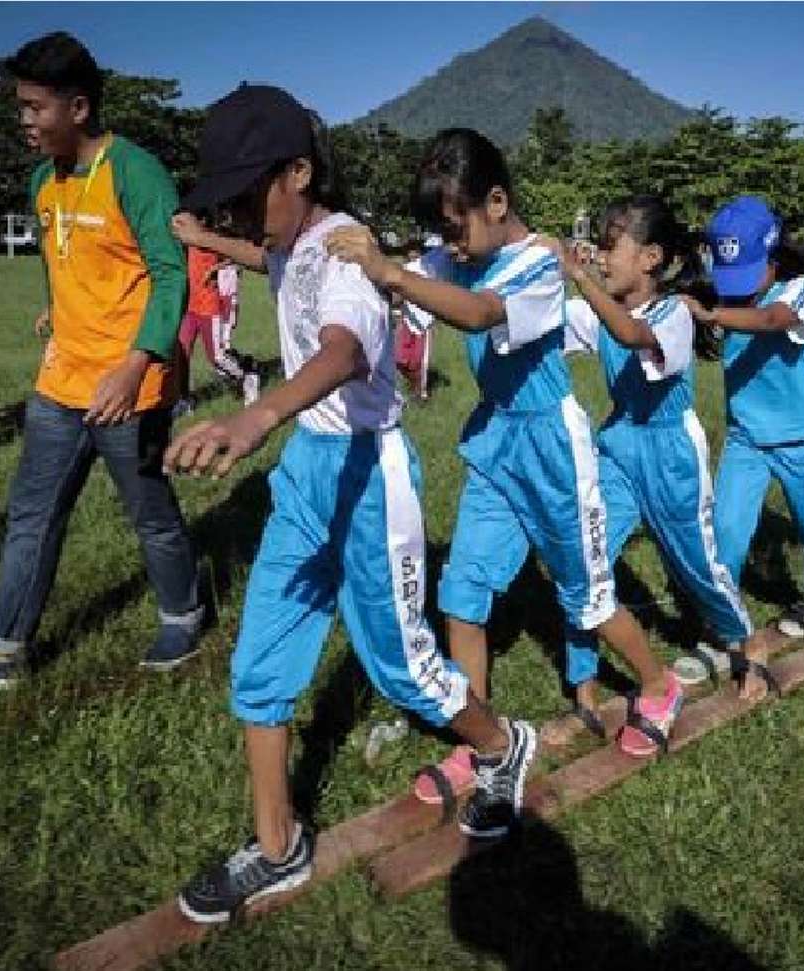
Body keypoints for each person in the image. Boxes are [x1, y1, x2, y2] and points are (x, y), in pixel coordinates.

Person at [162, 85, 535, 922]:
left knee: (402, 667)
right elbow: (274, 265)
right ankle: (276, 845)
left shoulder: (345, 253)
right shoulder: (288, 241)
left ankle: (505, 744)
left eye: (246, 190)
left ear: (299, 172)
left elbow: (339, 351)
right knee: (260, 661)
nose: (236, 207)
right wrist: (214, 237)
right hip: (308, 477)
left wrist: (257, 414)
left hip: (371, 478)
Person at [325, 128, 680, 789]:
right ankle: (483, 742)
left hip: (551, 447)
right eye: (441, 234)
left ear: (496, 202)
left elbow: (481, 313)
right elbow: (421, 280)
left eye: (456, 230)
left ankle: (659, 685)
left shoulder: (539, 268)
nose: (450, 248)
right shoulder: (459, 257)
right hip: (496, 443)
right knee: (462, 593)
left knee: (588, 596)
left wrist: (392, 270)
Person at [0, 31, 202, 689]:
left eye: (35, 107)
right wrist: (55, 309)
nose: (25, 122)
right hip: (58, 386)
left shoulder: (135, 171)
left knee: (150, 514)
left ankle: (182, 616)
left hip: (128, 387)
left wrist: (137, 363)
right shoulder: (43, 180)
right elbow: (61, 261)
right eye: (21, 107)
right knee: (33, 516)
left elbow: (168, 270)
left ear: (77, 107)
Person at [548, 196, 777, 713]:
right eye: (598, 248)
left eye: (610, 247)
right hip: (618, 447)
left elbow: (630, 335)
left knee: (697, 564)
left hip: (671, 453)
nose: (601, 258)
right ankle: (582, 684)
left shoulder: (672, 314)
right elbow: (542, 323)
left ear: (651, 258)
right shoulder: (594, 313)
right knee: (587, 559)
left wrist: (577, 275)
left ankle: (746, 639)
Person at [683, 197, 804, 652]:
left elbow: (773, 319)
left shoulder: (803, 287)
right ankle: (723, 627)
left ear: (775, 254)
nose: (737, 287)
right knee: (723, 531)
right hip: (747, 437)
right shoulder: (724, 294)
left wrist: (712, 315)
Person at [175, 236, 260, 413]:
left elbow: (237, 254)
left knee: (217, 358)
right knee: (181, 354)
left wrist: (214, 269)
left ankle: (247, 377)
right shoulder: (187, 238)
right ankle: (185, 399)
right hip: (191, 307)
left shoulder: (211, 239)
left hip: (209, 307)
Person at [392, 242, 436, 401]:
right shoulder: (403, 271)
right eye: (410, 252)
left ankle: (421, 393)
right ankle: (412, 383)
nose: (412, 255)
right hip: (405, 321)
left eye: (415, 252)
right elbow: (396, 295)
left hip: (423, 322)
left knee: (419, 360)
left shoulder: (429, 271)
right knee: (400, 359)